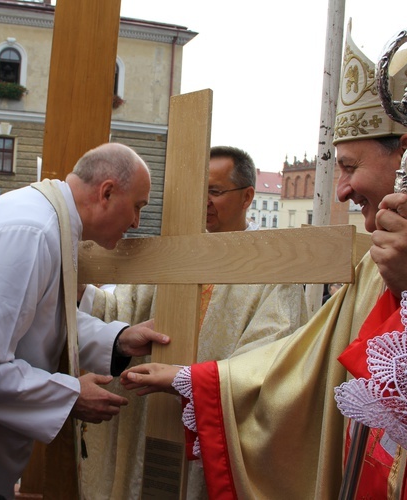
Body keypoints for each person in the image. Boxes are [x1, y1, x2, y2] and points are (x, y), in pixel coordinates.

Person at [120, 23, 407, 499]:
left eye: (348, 167)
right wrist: (196, 379)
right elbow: (310, 360)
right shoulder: (384, 254)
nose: (341, 189)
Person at [0, 142, 170, 500]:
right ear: (106, 192)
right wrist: (69, 395)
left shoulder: (49, 221)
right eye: (137, 206)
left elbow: (35, 318)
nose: (137, 222)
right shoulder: (31, 231)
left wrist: (118, 340)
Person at [79, 146, 310, 499]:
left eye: (215, 192)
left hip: (211, 428)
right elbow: (119, 312)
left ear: (248, 196)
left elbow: (272, 359)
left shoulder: (272, 267)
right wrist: (77, 285)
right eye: (198, 190)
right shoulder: (171, 254)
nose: (204, 201)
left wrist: (191, 382)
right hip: (149, 417)